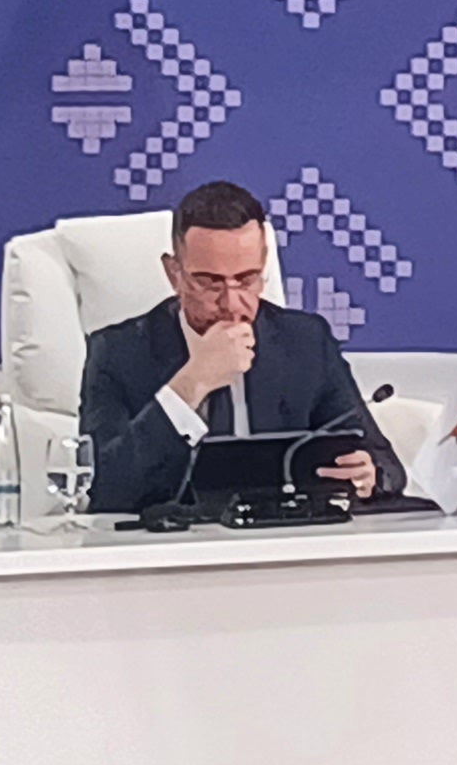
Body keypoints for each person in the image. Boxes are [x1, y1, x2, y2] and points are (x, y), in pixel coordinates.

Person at [80, 178, 404, 514]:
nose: (232, 304)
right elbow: (105, 490)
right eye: (210, 283)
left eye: (247, 279)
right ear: (174, 273)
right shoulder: (118, 352)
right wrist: (191, 383)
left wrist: (369, 474)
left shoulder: (306, 341)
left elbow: (386, 464)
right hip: (173, 539)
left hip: (284, 535)